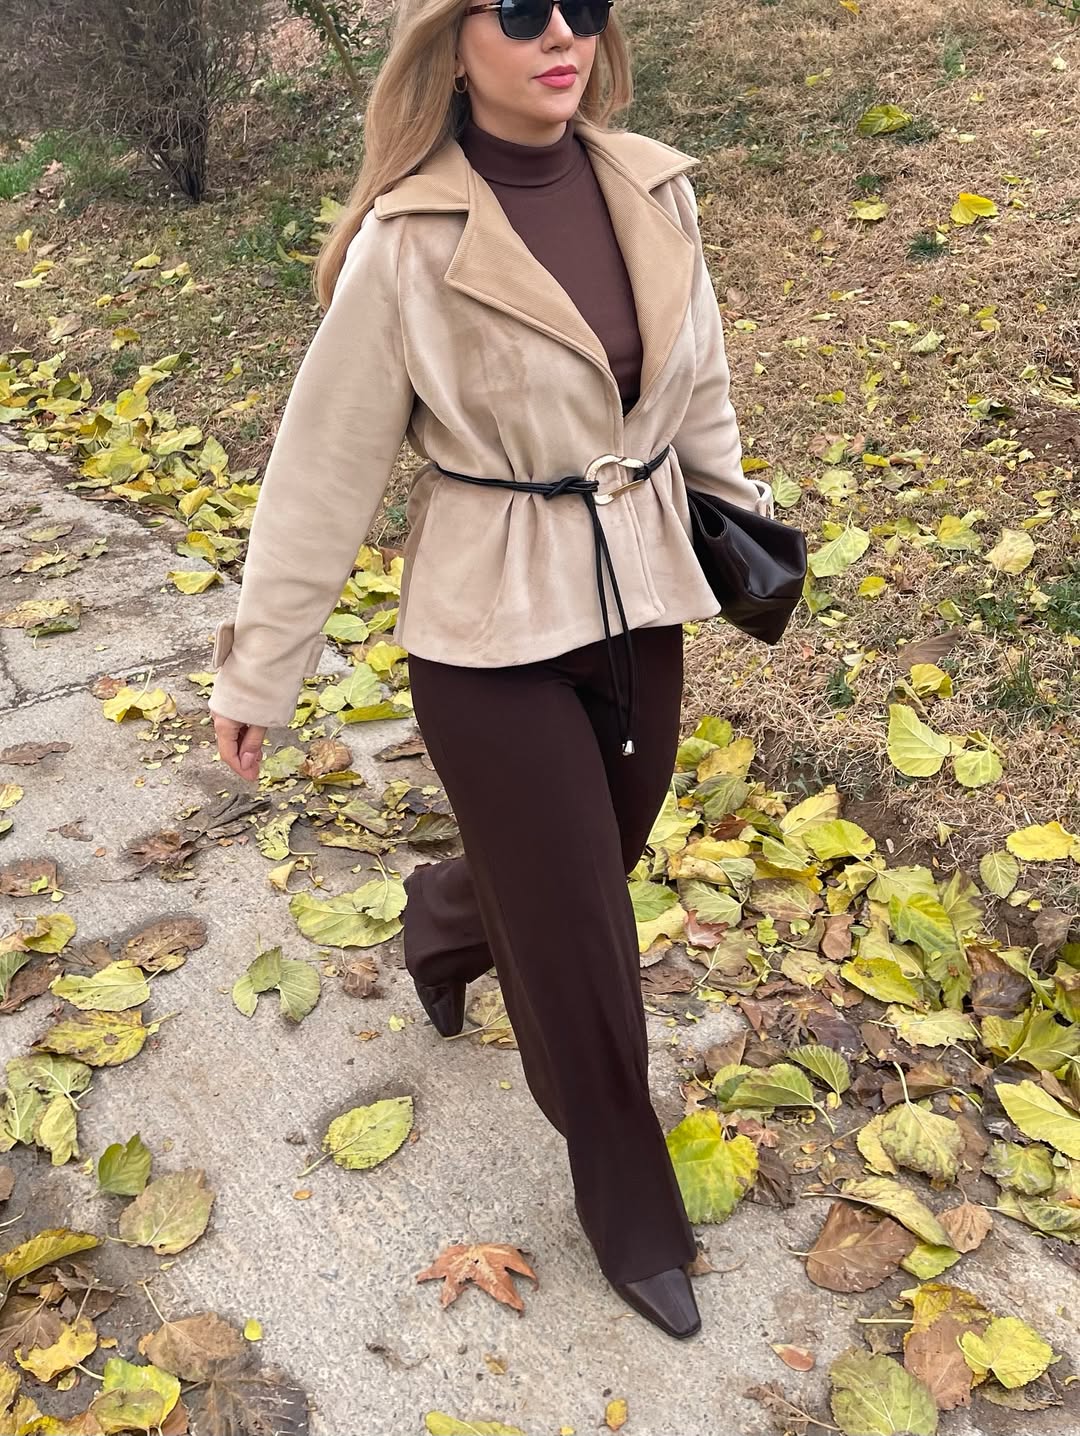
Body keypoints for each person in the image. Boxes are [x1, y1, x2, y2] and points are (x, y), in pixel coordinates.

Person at [208, 0, 773, 1339]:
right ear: (451, 40)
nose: (559, 32)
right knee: (578, 931)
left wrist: (741, 525)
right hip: (484, 627)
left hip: (637, 596)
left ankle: (446, 919)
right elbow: (321, 473)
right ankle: (628, 1198)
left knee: (595, 856)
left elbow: (696, 387)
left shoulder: (653, 190)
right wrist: (258, 673)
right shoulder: (408, 241)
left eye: (582, 5)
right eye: (519, 10)